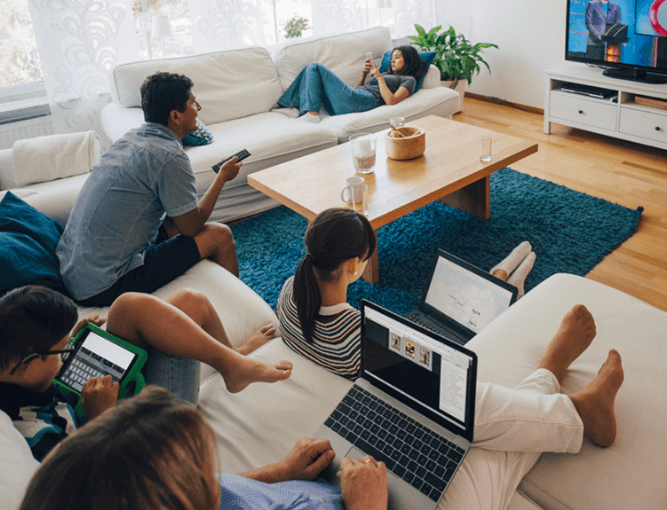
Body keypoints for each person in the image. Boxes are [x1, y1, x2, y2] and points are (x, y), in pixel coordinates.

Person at [18, 301, 624, 510]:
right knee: (468, 449)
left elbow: (213, 493)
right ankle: (560, 389)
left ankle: (553, 382)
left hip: (327, 484)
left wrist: (276, 473)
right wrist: (365, 506)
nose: (209, 476)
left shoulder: (141, 496)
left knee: (421, 413)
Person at [0, 285, 292, 461]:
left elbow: (47, 382)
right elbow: (100, 483)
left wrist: (71, 344)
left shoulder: (18, 374)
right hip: (135, 442)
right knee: (189, 309)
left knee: (138, 307)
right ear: (28, 361)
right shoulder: (34, 433)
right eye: (62, 352)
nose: (66, 356)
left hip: (89, 405)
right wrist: (101, 417)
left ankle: (232, 361)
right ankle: (233, 363)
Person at [277, 208, 536, 380]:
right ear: (353, 265)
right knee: (492, 320)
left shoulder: (288, 290)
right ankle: (508, 284)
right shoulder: (358, 333)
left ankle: (502, 274)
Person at [56, 72, 242, 307]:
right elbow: (191, 227)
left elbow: (180, 220)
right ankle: (236, 308)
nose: (199, 107)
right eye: (193, 103)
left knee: (174, 217)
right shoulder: (170, 156)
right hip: (106, 284)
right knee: (220, 234)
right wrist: (222, 178)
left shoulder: (130, 139)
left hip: (74, 270)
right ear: (175, 116)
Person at [277, 45, 428, 122]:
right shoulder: (386, 73)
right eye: (392, 57)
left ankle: (311, 114)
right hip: (357, 97)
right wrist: (363, 75)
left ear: (408, 60)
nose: (392, 61)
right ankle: (292, 106)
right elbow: (358, 90)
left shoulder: (409, 80)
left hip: (367, 100)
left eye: (397, 57)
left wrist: (379, 77)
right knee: (309, 69)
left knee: (315, 66)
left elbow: (391, 100)